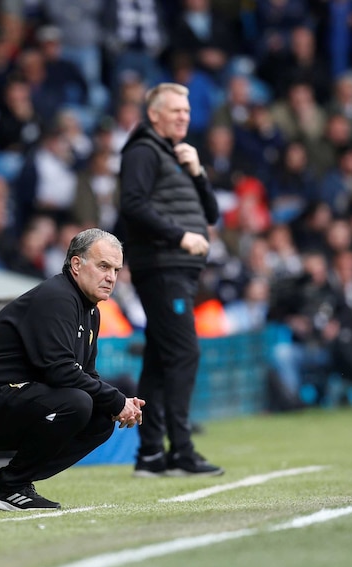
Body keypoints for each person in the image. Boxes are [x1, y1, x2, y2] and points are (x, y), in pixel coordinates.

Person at [0, 228, 145, 511]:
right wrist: (117, 399)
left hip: (15, 401)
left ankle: (12, 482)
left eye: (116, 269)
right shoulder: (57, 297)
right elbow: (60, 371)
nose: (111, 277)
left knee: (101, 417)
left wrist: (115, 404)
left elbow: (87, 374)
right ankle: (10, 485)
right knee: (77, 402)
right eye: (103, 266)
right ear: (76, 265)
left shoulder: (90, 310)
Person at [118, 82, 224, 478]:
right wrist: (180, 236)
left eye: (187, 110)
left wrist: (198, 172)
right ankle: (180, 449)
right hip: (162, 267)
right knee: (184, 354)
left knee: (161, 359)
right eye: (175, 110)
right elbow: (132, 204)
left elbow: (211, 214)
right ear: (154, 115)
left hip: (176, 269)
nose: (184, 116)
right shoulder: (143, 150)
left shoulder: (177, 155)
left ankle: (149, 455)